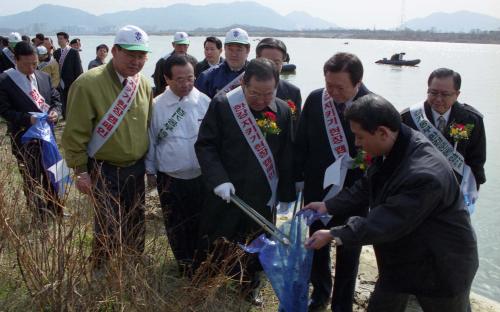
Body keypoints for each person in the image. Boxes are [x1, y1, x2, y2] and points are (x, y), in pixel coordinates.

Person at [304, 93, 478, 312]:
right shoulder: (395, 145)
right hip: (401, 257)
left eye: (359, 137)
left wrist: (334, 234)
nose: (356, 144)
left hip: (441, 264)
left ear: (382, 132)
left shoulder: (424, 175)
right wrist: (329, 206)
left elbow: (385, 221)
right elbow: (367, 185)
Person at [194, 58, 295, 303]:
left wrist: (286, 193)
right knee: (218, 238)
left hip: (262, 193)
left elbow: (286, 153)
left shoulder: (282, 110)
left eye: (268, 94)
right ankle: (208, 282)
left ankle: (249, 287)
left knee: (257, 242)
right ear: (243, 83)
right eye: (255, 94)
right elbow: (206, 145)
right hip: (227, 192)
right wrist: (218, 180)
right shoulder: (223, 104)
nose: (261, 100)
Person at [61, 25, 153, 270]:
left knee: (136, 219)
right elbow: (75, 133)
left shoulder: (143, 83)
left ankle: (133, 264)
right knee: (107, 223)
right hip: (103, 168)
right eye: (130, 54)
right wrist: (80, 171)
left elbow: (148, 125)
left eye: (141, 56)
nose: (136, 61)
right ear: (114, 51)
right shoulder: (88, 83)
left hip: (136, 167)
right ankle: (101, 270)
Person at [294, 52, 370, 311]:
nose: (334, 92)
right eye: (330, 85)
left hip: (355, 193)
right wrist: (297, 179)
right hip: (317, 190)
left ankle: (342, 303)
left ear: (357, 84)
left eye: (341, 87)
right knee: (316, 244)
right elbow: (302, 142)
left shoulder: (373, 107)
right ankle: (320, 293)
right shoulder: (317, 99)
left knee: (349, 249)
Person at [145, 55, 210, 274]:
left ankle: (201, 262)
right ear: (166, 79)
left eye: (190, 78)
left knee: (201, 221)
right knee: (176, 223)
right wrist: (151, 171)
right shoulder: (156, 106)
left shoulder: (204, 101)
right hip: (171, 176)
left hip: (201, 175)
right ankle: (183, 263)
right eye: (179, 79)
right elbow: (151, 139)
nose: (186, 84)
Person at [0, 41, 62, 219]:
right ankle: (39, 213)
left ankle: (56, 207)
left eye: (34, 63)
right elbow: (4, 110)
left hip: (47, 136)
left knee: (52, 170)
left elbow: (56, 100)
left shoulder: (44, 77)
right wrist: (28, 119)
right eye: (27, 64)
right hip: (24, 137)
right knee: (31, 176)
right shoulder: (5, 80)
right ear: (16, 60)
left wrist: (55, 112)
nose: (31, 68)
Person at [401, 68, 486, 192]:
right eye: (433, 93)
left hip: (455, 192)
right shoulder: (409, 118)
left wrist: (470, 192)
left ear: (457, 94)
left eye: (445, 94)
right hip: (417, 191)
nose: (438, 99)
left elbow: (476, 161)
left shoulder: (470, 120)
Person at [256, 37, 302, 137]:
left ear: (282, 62)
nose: (271, 67)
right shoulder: (243, 89)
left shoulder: (293, 92)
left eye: (276, 62)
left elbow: (295, 129)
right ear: (257, 59)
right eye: (266, 61)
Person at [195, 28, 250, 99]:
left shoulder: (256, 74)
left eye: (239, 50)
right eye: (230, 49)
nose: (234, 54)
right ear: (224, 49)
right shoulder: (207, 77)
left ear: (248, 50)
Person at [152, 32, 198, 97]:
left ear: (188, 45)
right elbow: (158, 83)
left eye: (184, 45)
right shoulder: (163, 62)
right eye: (179, 45)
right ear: (173, 44)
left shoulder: (193, 61)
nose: (182, 48)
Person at [53, 31, 83, 118]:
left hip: (71, 81)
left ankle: (72, 116)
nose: (59, 41)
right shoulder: (56, 53)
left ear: (66, 40)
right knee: (61, 99)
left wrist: (79, 82)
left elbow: (78, 69)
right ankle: (64, 115)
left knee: (71, 100)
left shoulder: (73, 52)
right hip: (59, 81)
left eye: (61, 39)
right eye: (58, 39)